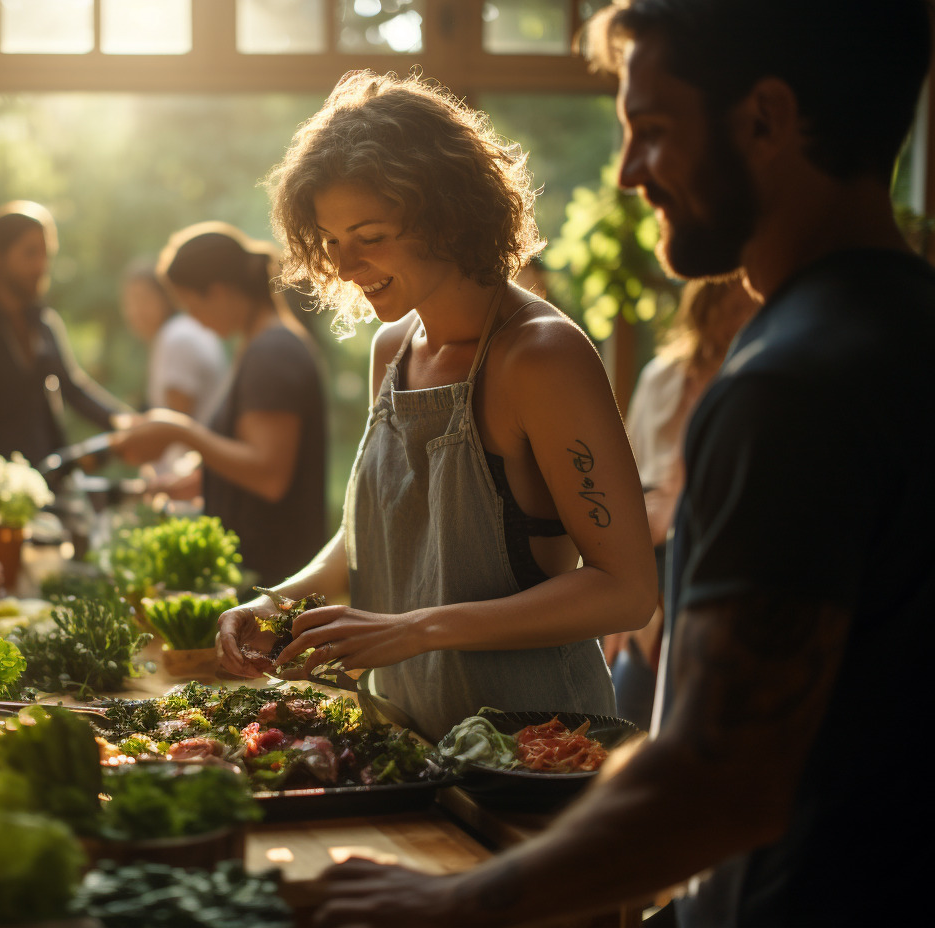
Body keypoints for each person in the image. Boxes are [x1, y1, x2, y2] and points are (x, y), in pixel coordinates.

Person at [308, 2, 935, 926]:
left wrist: (452, 905)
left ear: (764, 119)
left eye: (650, 130)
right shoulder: (899, 333)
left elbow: (719, 779)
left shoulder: (789, 390)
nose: (631, 173)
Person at [214, 70, 658, 743]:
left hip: (535, 749)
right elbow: (374, 536)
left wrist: (415, 630)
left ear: (448, 215)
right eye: (332, 240)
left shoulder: (541, 357)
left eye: (370, 234)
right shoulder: (393, 346)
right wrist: (277, 599)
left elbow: (626, 589)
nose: (348, 264)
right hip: (411, 738)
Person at [108, 222, 328, 587]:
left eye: (192, 305)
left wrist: (180, 431)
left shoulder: (272, 352)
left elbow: (269, 475)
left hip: (274, 580)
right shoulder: (260, 345)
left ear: (219, 292)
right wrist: (193, 482)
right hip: (265, 572)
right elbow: (247, 457)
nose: (193, 320)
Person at [604, 277, 757, 723]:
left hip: (705, 549)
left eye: (749, 308)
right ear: (705, 308)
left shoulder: (753, 381)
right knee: (628, 692)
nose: (740, 320)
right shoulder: (661, 377)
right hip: (648, 549)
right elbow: (625, 475)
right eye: (731, 308)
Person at [0, 201, 125, 494]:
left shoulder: (44, 325)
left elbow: (73, 388)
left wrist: (126, 423)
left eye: (46, 254)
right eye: (30, 253)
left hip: (51, 491)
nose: (41, 266)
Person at [120, 257, 228, 478]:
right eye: (130, 302)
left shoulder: (176, 339)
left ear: (167, 298)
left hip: (193, 477)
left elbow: (175, 426)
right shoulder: (177, 334)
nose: (135, 311)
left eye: (144, 299)